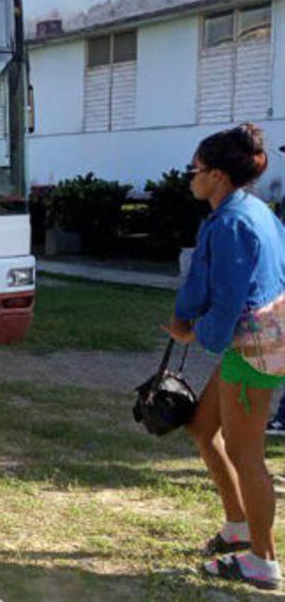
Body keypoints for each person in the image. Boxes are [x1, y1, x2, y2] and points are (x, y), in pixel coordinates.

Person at [168, 124, 285, 590]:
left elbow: (228, 296)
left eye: (193, 169)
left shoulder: (232, 222)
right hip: (259, 341)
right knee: (201, 428)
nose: (189, 177)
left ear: (216, 174)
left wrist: (195, 333)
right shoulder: (253, 210)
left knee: (245, 452)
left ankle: (263, 559)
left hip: (254, 349)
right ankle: (238, 526)